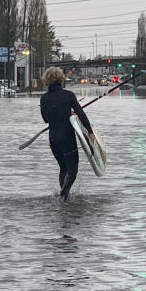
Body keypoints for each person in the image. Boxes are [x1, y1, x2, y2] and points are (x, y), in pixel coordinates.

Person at [39, 66, 95, 201]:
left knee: (63, 168)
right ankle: (64, 194)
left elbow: (46, 119)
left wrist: (63, 113)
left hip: (53, 139)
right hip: (67, 137)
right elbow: (81, 114)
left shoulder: (44, 98)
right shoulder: (68, 95)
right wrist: (90, 132)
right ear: (61, 79)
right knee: (72, 170)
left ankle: (64, 197)